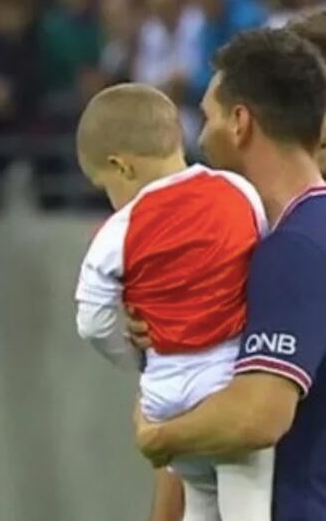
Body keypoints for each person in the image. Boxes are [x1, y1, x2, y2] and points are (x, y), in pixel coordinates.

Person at [133, 28, 326, 520]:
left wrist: (160, 433)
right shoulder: (295, 236)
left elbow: (257, 416)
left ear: (240, 122)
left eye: (207, 116)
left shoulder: (297, 247)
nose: (199, 136)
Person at [75, 83, 271, 520]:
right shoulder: (237, 191)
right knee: (248, 508)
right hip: (228, 385)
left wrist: (132, 355)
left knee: (199, 504)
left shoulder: (118, 230)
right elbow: (264, 261)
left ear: (120, 167)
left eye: (103, 185)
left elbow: (91, 321)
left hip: (164, 397)